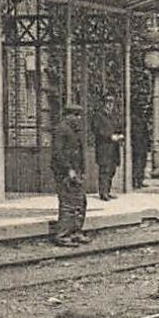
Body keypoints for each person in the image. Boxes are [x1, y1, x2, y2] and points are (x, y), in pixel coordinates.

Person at [50, 99, 91, 246]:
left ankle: (76, 232)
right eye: (76, 115)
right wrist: (69, 170)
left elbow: (78, 152)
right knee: (68, 203)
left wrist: (81, 170)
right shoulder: (61, 129)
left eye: (79, 115)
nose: (79, 119)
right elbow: (58, 153)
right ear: (68, 115)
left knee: (80, 202)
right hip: (65, 172)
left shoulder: (74, 130)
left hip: (76, 171)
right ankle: (62, 235)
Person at [90, 93, 124, 201]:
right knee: (104, 170)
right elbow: (97, 130)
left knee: (112, 170)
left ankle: (108, 191)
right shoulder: (98, 116)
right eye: (108, 102)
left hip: (114, 148)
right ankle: (103, 192)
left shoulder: (113, 116)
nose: (110, 105)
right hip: (104, 147)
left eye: (112, 102)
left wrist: (120, 135)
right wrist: (110, 136)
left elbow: (118, 127)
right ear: (103, 103)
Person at [130, 106, 152, 189]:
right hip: (137, 144)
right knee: (137, 164)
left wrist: (148, 144)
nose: (145, 111)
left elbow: (146, 133)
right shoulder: (134, 119)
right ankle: (136, 181)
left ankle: (139, 181)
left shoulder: (142, 119)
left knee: (142, 164)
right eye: (143, 109)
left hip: (143, 145)